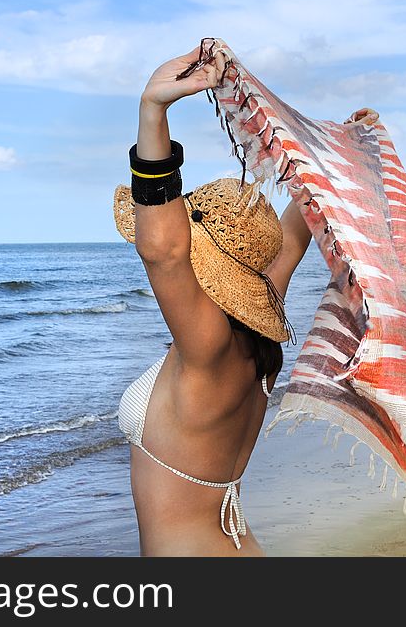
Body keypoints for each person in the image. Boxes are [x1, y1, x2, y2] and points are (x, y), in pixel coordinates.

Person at [112, 45, 313, 556]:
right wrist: (326, 162)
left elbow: (163, 253)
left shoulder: (208, 347)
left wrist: (152, 110)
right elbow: (291, 239)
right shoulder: (258, 329)